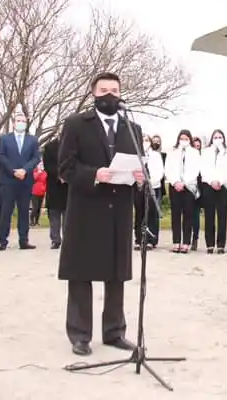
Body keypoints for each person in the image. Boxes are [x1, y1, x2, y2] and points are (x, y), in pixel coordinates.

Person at [57, 72, 144, 356]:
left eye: (115, 90)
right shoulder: (75, 124)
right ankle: (80, 335)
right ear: (93, 93)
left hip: (119, 210)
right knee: (81, 275)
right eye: (104, 89)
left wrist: (141, 178)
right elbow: (66, 167)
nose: (110, 94)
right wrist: (94, 174)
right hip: (86, 209)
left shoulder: (133, 128)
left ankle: (114, 332)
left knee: (116, 274)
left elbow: (141, 164)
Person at [0, 113, 40, 251]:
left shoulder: (32, 140)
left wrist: (25, 170)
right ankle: (2, 241)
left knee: (24, 211)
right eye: (18, 120)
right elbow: (1, 156)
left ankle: (23, 240)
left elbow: (36, 157)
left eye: (23, 121)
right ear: (14, 123)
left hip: (25, 181)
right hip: (8, 180)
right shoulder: (5, 139)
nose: (20, 123)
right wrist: (14, 170)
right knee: (6, 211)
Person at [164, 129, 200, 254]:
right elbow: (168, 168)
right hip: (175, 186)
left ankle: (186, 243)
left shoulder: (195, 153)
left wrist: (184, 182)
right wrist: (175, 182)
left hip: (189, 186)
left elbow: (195, 170)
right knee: (175, 214)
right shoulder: (172, 152)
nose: (183, 141)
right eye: (182, 138)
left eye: (186, 139)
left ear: (189, 139)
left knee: (188, 215)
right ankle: (176, 242)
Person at [201, 129, 227, 254]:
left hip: (223, 186)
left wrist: (220, 181)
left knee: (222, 216)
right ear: (212, 139)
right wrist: (212, 181)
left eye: (220, 137)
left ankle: (221, 245)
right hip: (209, 185)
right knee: (209, 216)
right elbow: (203, 169)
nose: (217, 139)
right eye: (215, 137)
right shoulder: (206, 152)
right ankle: (210, 244)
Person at [134, 134, 163, 251]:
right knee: (139, 213)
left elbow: (159, 171)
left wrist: (151, 181)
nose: (145, 142)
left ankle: (151, 240)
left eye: (147, 140)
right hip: (139, 187)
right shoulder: (136, 155)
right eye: (143, 140)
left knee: (151, 213)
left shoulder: (155, 155)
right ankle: (139, 239)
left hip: (152, 186)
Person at [43, 135, 67, 250]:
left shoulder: (74, 144)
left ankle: (68, 239)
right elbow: (47, 165)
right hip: (54, 184)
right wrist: (59, 175)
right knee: (54, 213)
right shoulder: (49, 146)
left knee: (68, 213)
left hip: (69, 184)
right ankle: (55, 239)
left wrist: (67, 175)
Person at [190, 136, 205, 251]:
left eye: (198, 146)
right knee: (188, 215)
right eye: (194, 145)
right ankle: (186, 238)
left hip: (200, 188)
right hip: (189, 186)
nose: (196, 148)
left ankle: (195, 238)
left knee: (195, 215)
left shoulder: (203, 158)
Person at [31, 161, 47, 226]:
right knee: (35, 207)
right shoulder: (34, 171)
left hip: (42, 192)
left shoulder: (45, 173)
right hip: (35, 192)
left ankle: (37, 221)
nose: (41, 166)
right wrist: (39, 172)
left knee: (39, 208)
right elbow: (34, 178)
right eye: (39, 165)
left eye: (42, 165)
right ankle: (32, 220)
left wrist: (45, 189)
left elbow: (45, 182)